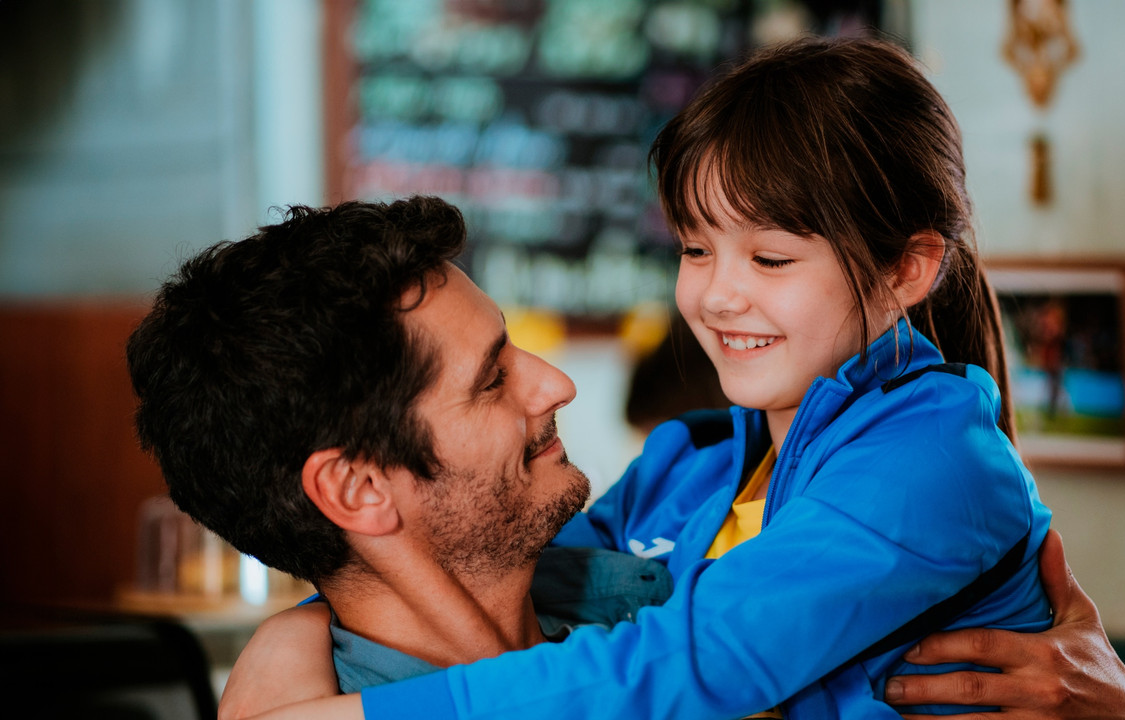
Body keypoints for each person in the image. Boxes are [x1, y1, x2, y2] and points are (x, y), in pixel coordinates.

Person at [229, 34, 1052, 720]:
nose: (718, 294)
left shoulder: (936, 461)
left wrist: (366, 715)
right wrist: (294, 632)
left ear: (908, 269)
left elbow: (698, 659)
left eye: (770, 258)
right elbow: (487, 570)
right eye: (695, 249)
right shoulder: (682, 472)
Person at [127, 195, 673, 697]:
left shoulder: (642, 565)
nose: (558, 385)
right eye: (490, 380)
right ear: (359, 489)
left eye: (512, 346)